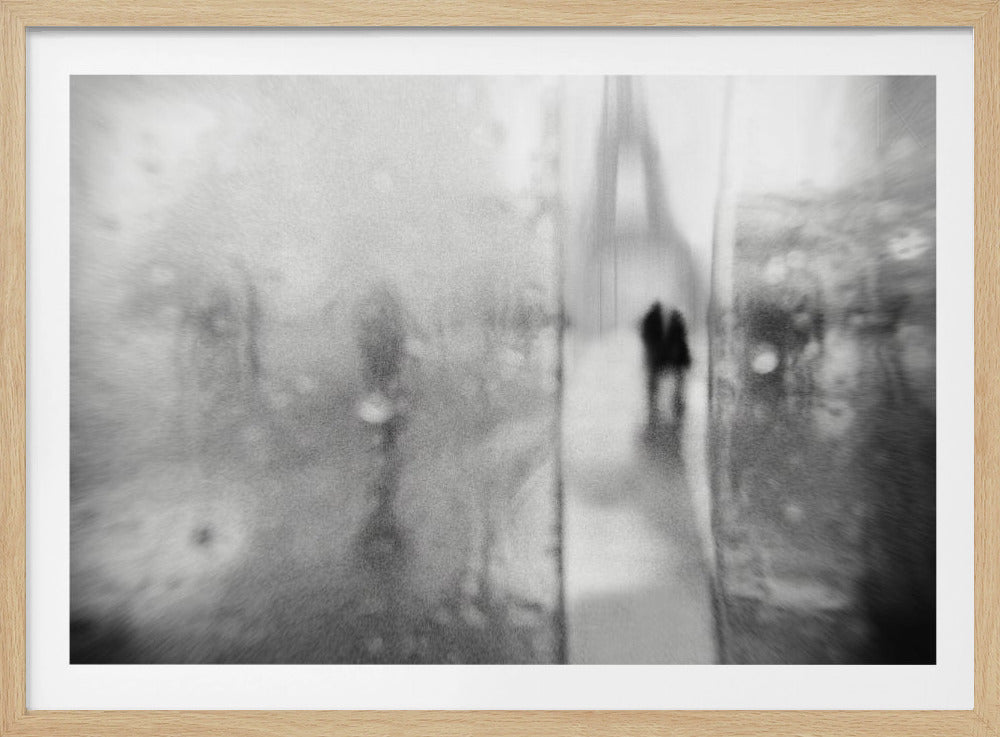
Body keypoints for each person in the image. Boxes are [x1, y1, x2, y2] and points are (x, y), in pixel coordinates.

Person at [640, 301, 691, 425]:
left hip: (668, 356)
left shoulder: (671, 322)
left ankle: (670, 401)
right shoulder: (657, 321)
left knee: (662, 378)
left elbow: (681, 340)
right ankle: (658, 402)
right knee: (658, 379)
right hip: (663, 355)